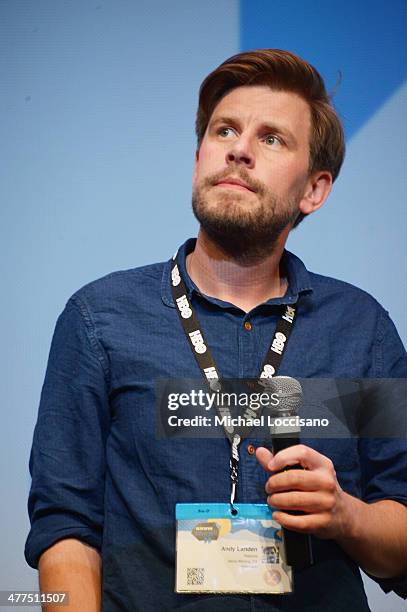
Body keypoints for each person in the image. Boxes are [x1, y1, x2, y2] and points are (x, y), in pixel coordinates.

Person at [25, 49, 407, 611]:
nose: (239, 149)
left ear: (314, 190)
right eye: (224, 129)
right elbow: (66, 525)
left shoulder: (361, 328)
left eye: (272, 138)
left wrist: (345, 515)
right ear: (200, 155)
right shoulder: (98, 319)